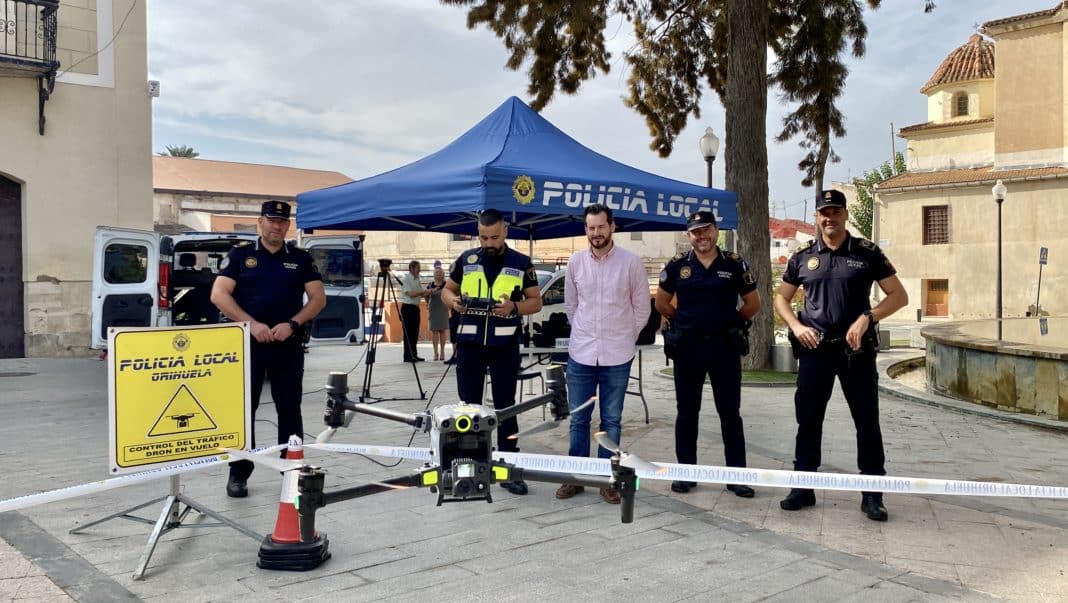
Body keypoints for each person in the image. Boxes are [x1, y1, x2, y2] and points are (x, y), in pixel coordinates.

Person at [774, 189, 907, 521]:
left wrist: (868, 317)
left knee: (867, 423)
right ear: (817, 217)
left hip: (856, 352)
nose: (829, 217)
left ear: (845, 214)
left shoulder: (867, 253)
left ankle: (873, 495)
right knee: (808, 422)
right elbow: (781, 299)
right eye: (823, 213)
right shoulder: (803, 257)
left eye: (835, 211)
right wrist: (795, 326)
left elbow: (898, 296)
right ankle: (803, 488)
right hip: (815, 350)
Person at [211, 200, 326, 498]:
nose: (277, 226)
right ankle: (238, 473)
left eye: (282, 222)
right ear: (260, 222)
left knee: (289, 408)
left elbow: (317, 299)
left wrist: (293, 323)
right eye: (271, 220)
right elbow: (219, 295)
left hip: (287, 344)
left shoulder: (300, 259)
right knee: (243, 410)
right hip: (248, 343)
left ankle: (291, 468)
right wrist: (251, 324)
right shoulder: (240, 255)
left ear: (288, 225)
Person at [655, 210, 761, 498]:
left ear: (716, 230)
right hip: (688, 349)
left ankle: (736, 477)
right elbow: (662, 301)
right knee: (687, 413)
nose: (701, 236)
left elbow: (753, 302)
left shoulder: (735, 264)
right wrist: (681, 320)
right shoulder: (678, 266)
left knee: (730, 414)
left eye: (706, 229)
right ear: (689, 235)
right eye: (695, 232)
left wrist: (733, 322)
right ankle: (686, 474)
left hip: (723, 349)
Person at [441, 209, 542, 495]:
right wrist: (454, 302)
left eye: (494, 237)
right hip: (470, 345)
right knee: (469, 407)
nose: (488, 243)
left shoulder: (521, 263)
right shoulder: (467, 259)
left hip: (504, 346)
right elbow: (446, 291)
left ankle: (509, 467)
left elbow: (536, 302)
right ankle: (468, 467)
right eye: (483, 237)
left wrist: (514, 307)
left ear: (505, 231)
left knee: (506, 407)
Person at [554, 204, 650, 505]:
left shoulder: (631, 263)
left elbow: (641, 308)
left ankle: (608, 480)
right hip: (581, 353)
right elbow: (572, 306)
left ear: (612, 227)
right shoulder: (575, 263)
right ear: (586, 229)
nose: (596, 233)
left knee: (611, 420)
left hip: (617, 356)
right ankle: (576, 479)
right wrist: (586, 333)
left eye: (601, 227)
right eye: (590, 228)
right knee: (578, 420)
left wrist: (624, 336)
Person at [399, 260, 428, 362]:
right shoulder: (406, 279)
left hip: (415, 308)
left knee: (415, 333)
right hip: (407, 308)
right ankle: (408, 356)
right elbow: (411, 294)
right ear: (411, 268)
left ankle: (414, 354)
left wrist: (428, 292)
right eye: (417, 267)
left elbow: (420, 293)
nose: (419, 269)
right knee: (408, 333)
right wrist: (423, 291)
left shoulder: (417, 279)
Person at [426, 264, 451, 361]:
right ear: (434, 275)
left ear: (444, 274)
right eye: (437, 273)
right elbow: (426, 296)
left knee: (443, 331)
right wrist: (429, 304)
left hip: (443, 309)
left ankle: (443, 352)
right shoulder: (430, 285)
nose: (439, 274)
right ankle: (435, 353)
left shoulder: (446, 284)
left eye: (441, 273)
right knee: (434, 332)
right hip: (433, 309)